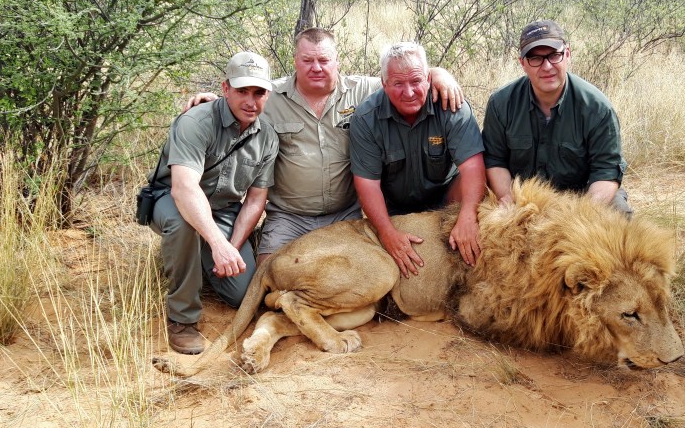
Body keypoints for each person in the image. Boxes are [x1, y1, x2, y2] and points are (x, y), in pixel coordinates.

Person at [186, 28, 463, 264]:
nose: (316, 67)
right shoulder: (270, 96)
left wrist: (439, 74)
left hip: (344, 214)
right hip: (288, 217)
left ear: (337, 61)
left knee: (355, 280)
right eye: (307, 60)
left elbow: (403, 80)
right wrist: (211, 101)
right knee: (270, 278)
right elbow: (242, 100)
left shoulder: (365, 91)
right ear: (295, 60)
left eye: (323, 59)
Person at [149, 51, 278, 355]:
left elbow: (256, 200)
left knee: (242, 294)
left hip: (223, 211)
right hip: (173, 201)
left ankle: (197, 260)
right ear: (225, 88)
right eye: (242, 91)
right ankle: (182, 318)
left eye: (258, 92)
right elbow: (183, 189)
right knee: (183, 225)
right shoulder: (196, 120)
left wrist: (231, 245)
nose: (250, 100)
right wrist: (219, 246)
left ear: (268, 93)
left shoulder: (268, 136)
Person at [349, 42, 486, 279]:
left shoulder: (452, 105)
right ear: (384, 83)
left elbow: (473, 166)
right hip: (396, 208)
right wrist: (387, 232)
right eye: (398, 84)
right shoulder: (365, 118)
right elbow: (367, 184)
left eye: (416, 82)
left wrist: (468, 216)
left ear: (428, 79)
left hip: (447, 200)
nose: (409, 92)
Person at [482, 20, 633, 215]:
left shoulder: (598, 109)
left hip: (581, 199)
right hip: (522, 199)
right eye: (535, 58)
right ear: (523, 63)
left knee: (619, 215)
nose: (546, 66)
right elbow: (494, 160)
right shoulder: (500, 104)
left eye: (554, 56)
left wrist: (582, 213)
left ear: (567, 55)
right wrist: (509, 197)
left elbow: (605, 171)